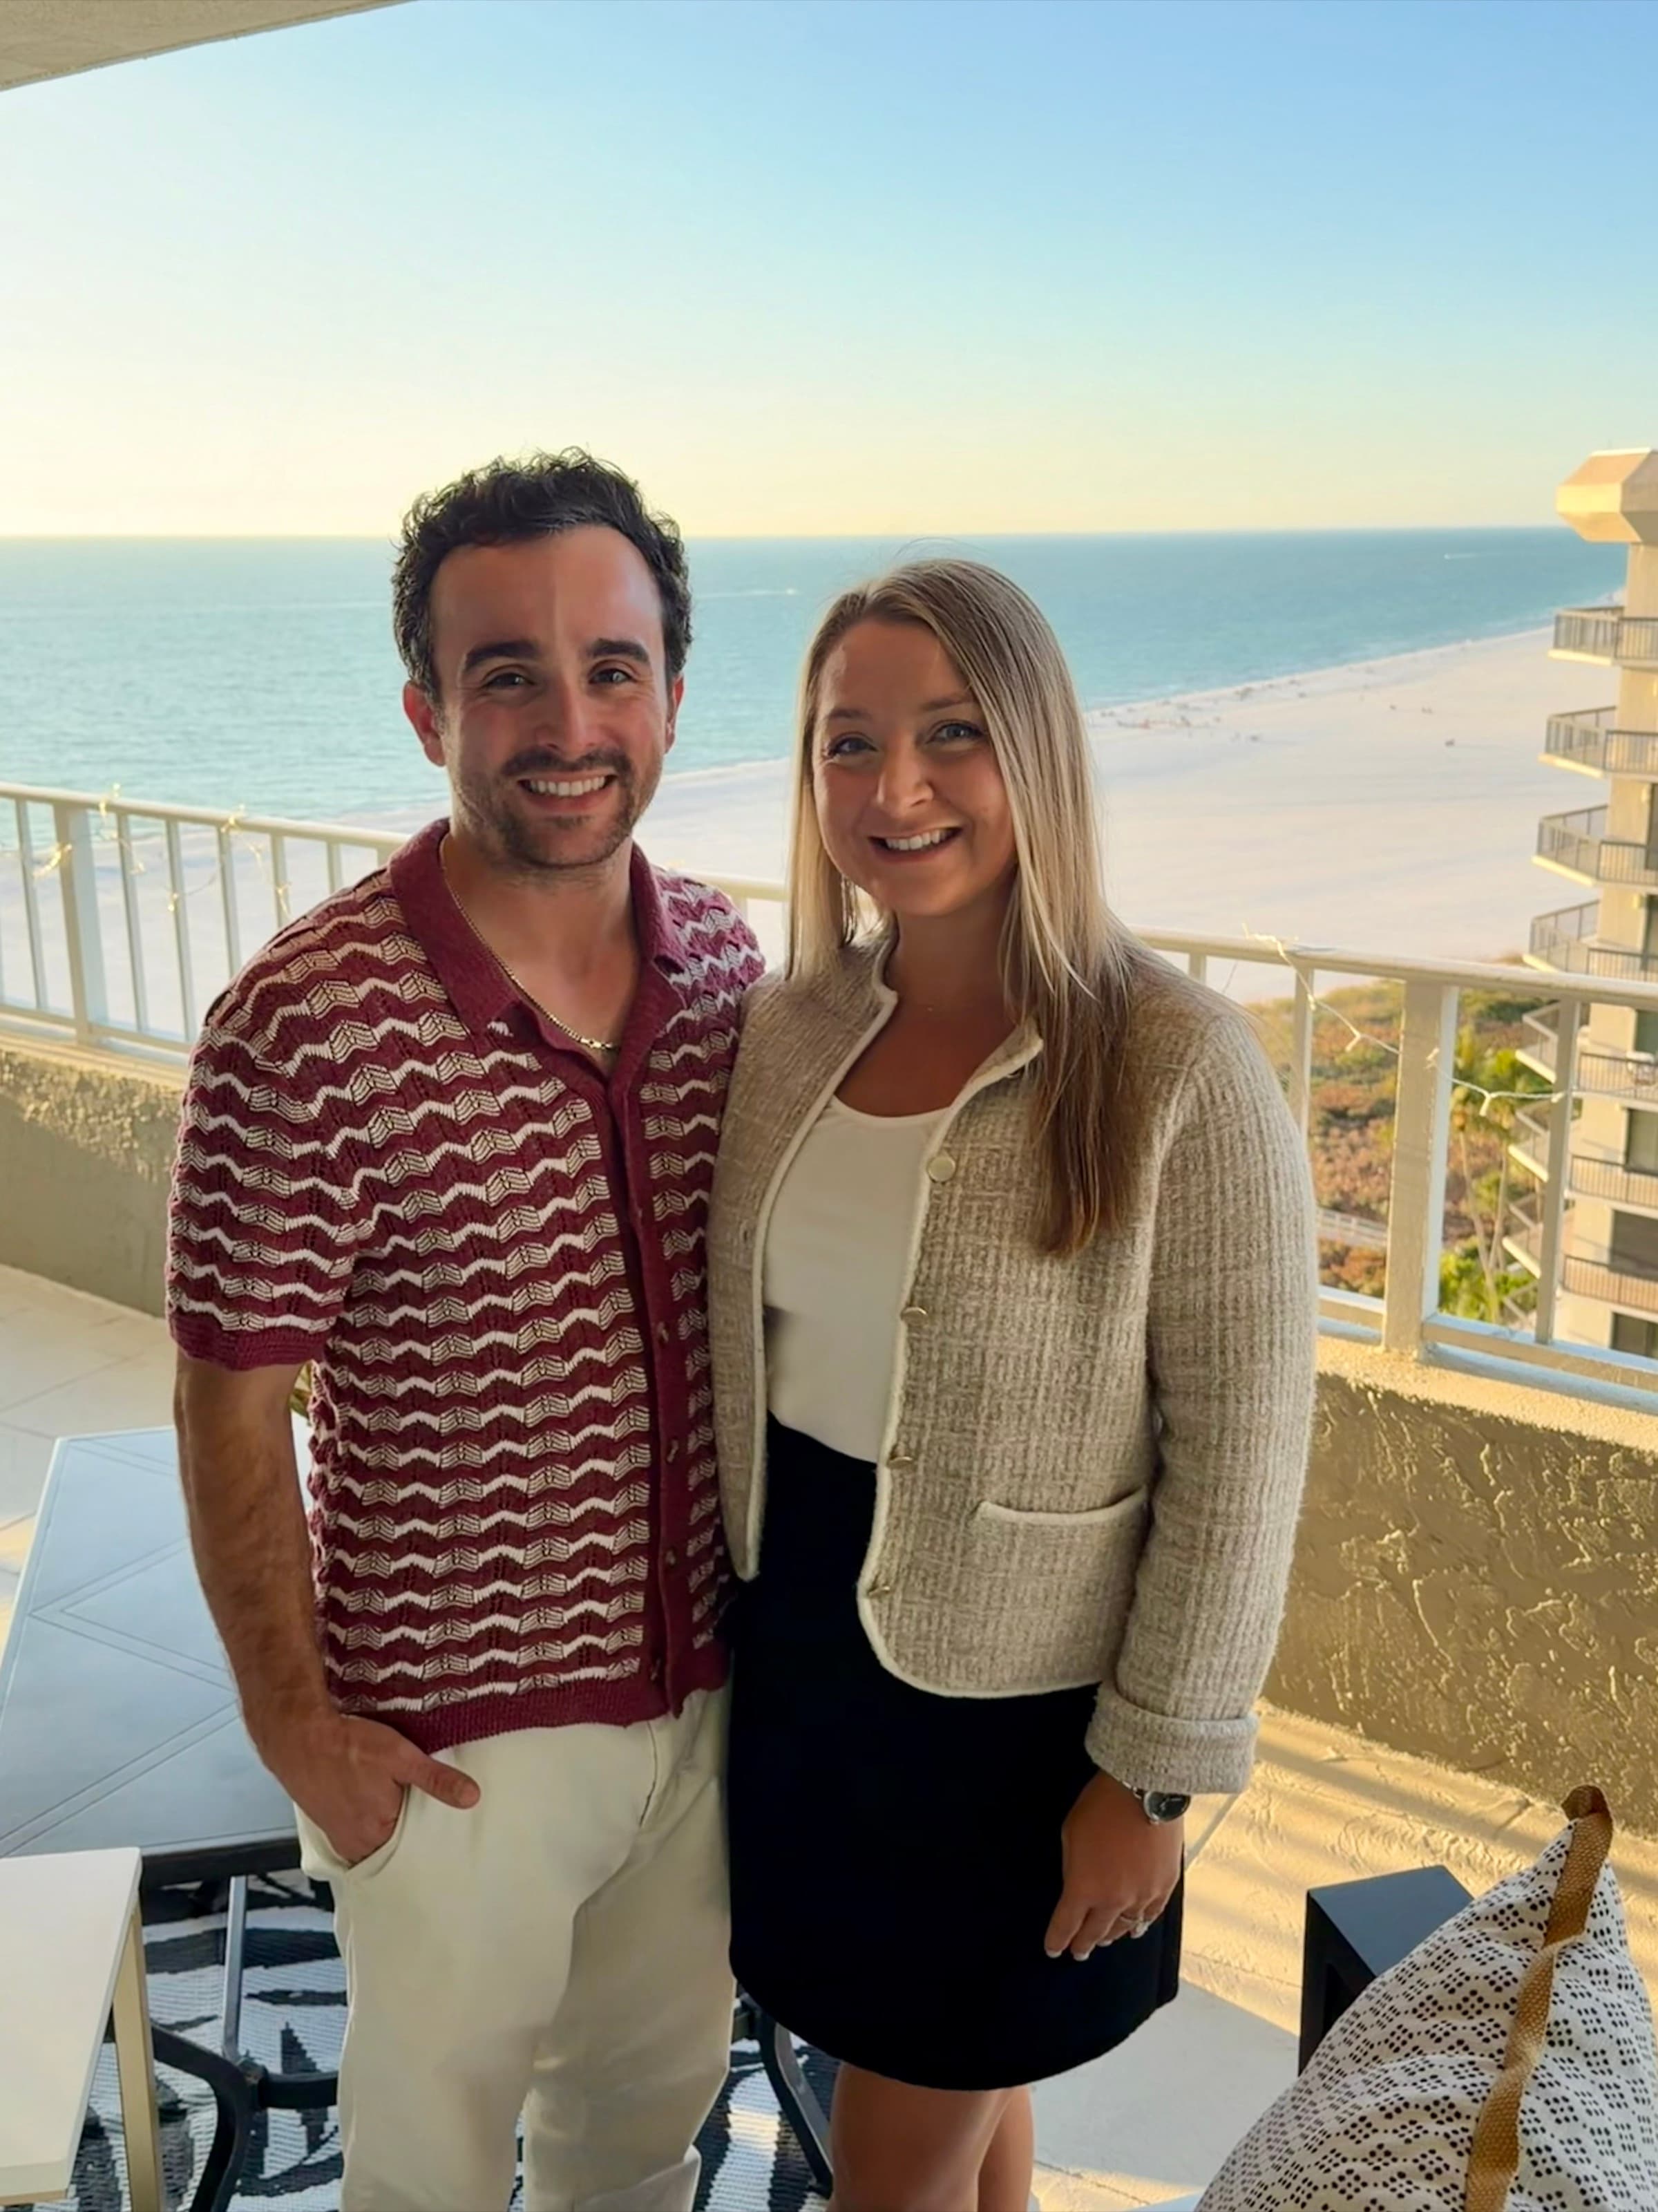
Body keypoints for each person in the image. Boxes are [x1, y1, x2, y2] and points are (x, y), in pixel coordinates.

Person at [167, 450, 764, 2212]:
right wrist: (296, 1724)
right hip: (452, 1746)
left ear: (668, 695)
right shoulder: (304, 1019)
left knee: (645, 2134)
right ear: (429, 709)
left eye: (610, 666)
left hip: (714, 1691)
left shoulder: (728, 964)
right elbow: (228, 1400)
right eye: (506, 671)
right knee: (431, 2168)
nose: (565, 719)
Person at [707, 559, 1317, 2212]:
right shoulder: (790, 1030)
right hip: (812, 1643)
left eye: (951, 734)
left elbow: (1244, 1451)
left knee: (893, 2158)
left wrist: (1155, 1774)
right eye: (849, 742)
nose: (894, 789)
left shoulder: (1173, 1061)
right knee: (968, 2089)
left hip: (1021, 1711)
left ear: (1036, 753)